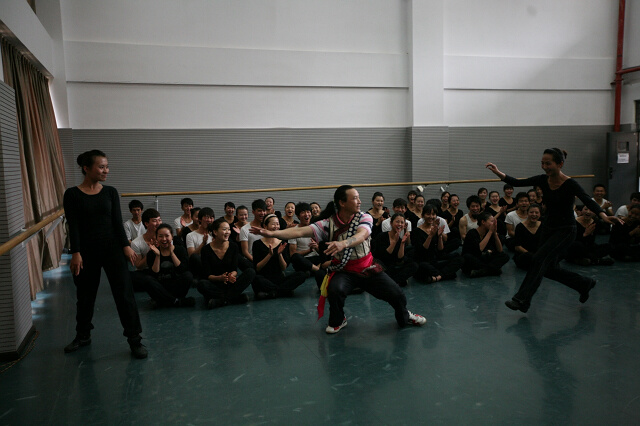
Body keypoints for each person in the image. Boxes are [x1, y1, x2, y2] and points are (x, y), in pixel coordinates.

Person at [250, 185, 426, 334]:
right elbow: (298, 231)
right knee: (334, 290)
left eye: (358, 198)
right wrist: (272, 233)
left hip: (367, 268)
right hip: (344, 270)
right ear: (342, 202)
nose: (359, 201)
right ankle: (339, 319)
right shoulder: (327, 224)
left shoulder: (364, 217)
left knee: (397, 294)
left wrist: (344, 244)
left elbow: (362, 234)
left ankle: (405, 316)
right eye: (355, 198)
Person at [486, 148, 623, 312]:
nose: (544, 167)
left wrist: (604, 216)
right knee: (548, 268)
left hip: (565, 230)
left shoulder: (570, 184)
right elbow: (516, 182)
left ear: (560, 164)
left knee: (538, 260)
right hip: (548, 228)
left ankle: (522, 300)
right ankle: (584, 283)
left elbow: (587, 199)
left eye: (548, 163)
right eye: (542, 163)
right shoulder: (543, 179)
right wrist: (498, 172)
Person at [63, 150, 147, 359]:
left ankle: (134, 339)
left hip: (112, 250)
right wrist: (76, 253)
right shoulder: (72, 194)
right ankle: (83, 335)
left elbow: (117, 222)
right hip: (86, 252)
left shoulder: (110, 192)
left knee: (124, 294)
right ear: (86, 168)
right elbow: (73, 226)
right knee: (85, 296)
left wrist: (125, 246)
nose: (106, 170)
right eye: (101, 167)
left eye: (107, 166)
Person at [198, 218, 256, 308]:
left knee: (250, 272)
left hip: (230, 283)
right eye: (224, 229)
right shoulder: (206, 250)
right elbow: (208, 275)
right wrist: (220, 278)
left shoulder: (233, 246)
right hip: (215, 284)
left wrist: (231, 275)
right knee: (201, 284)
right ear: (215, 232)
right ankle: (233, 298)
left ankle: (222, 300)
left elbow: (234, 270)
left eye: (229, 229)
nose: (228, 232)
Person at [252, 214, 308, 298]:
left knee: (302, 275)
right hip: (264, 279)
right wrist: (269, 255)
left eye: (277, 224)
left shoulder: (283, 243)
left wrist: (280, 254)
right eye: (273, 224)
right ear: (265, 226)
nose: (276, 226)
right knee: (256, 279)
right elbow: (258, 268)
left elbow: (283, 268)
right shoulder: (257, 244)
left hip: (279, 279)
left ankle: (273, 293)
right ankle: (283, 291)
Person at [145, 224, 195, 307]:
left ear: (172, 236)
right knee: (147, 280)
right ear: (156, 238)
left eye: (167, 236)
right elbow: (154, 274)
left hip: (176, 286)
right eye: (160, 236)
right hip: (161, 287)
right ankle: (175, 301)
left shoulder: (180, 250)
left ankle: (164, 301)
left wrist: (172, 253)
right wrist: (158, 255)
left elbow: (182, 270)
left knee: (188, 275)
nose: (164, 239)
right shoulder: (152, 253)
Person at [412, 204, 463, 284]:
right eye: (428, 214)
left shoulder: (435, 228)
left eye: (433, 214)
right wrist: (430, 236)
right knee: (422, 266)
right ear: (423, 215)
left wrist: (439, 236)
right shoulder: (416, 231)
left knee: (459, 259)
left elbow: (440, 249)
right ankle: (446, 274)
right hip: (423, 261)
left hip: (435, 261)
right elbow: (422, 251)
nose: (431, 217)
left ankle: (438, 277)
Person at [372, 213, 418, 287]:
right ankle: (395, 282)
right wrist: (394, 242)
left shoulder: (400, 239)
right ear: (391, 223)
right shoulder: (382, 236)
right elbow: (383, 256)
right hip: (382, 266)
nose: (399, 224)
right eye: (397, 222)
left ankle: (391, 282)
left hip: (393, 267)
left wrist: (402, 243)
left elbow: (400, 259)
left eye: (402, 222)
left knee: (413, 265)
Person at [461, 212, 510, 277]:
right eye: (492, 221)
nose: (494, 224)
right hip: (473, 259)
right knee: (467, 257)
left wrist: (495, 234)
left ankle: (483, 271)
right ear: (483, 222)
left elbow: (500, 250)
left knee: (504, 256)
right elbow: (480, 249)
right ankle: (492, 269)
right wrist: (490, 232)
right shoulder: (472, 233)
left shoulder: (489, 232)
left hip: (482, 259)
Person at [186, 208, 215, 278]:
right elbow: (191, 255)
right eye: (207, 217)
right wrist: (203, 243)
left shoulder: (215, 235)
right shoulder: (190, 235)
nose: (209, 220)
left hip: (213, 263)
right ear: (200, 219)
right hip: (200, 264)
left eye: (211, 218)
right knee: (195, 257)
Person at [512, 204, 543, 271]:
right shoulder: (520, 227)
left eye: (536, 212)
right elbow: (517, 247)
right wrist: (532, 255)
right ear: (527, 213)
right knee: (528, 257)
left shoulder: (543, 225)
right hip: (525, 254)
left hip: (538, 254)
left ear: (540, 214)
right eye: (531, 212)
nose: (534, 214)